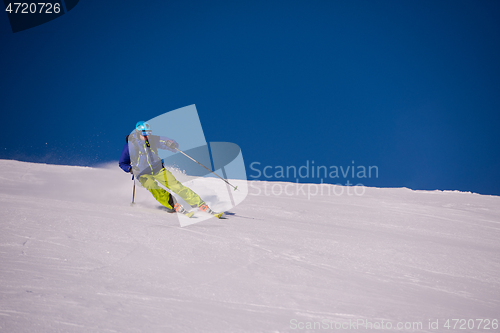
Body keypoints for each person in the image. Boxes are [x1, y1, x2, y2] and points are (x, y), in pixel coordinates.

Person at [119, 121, 221, 217]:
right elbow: (122, 163)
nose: (147, 136)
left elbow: (167, 141)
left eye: (149, 133)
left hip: (157, 169)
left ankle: (199, 204)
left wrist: (172, 145)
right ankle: (173, 204)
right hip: (142, 173)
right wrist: (130, 169)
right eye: (144, 134)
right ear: (137, 133)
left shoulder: (153, 139)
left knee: (175, 185)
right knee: (152, 186)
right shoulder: (129, 146)